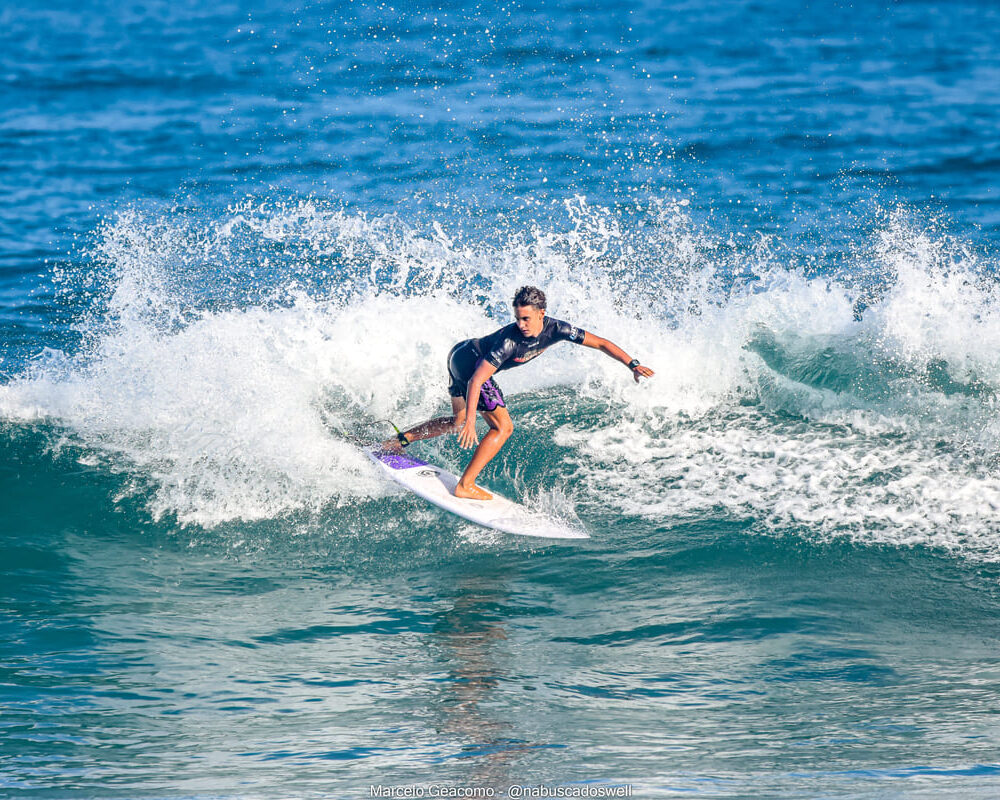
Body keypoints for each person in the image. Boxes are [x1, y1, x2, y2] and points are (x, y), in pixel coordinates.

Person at [383, 286, 654, 500]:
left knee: (455, 421)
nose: (521, 324)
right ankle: (465, 485)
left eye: (526, 318)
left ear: (541, 314)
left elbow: (601, 343)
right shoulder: (508, 342)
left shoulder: (558, 329)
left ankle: (398, 442)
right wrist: (470, 424)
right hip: (468, 363)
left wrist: (633, 364)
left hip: (458, 354)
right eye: (517, 318)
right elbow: (477, 381)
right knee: (503, 428)